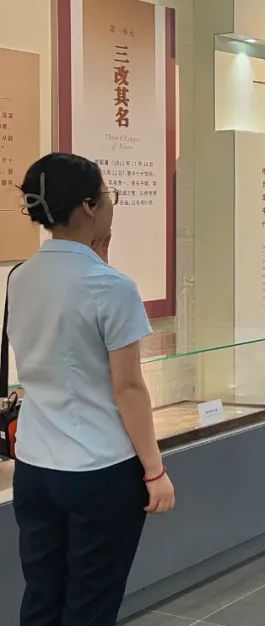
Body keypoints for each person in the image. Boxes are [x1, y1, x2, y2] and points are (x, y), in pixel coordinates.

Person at [8, 153, 175, 626]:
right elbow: (128, 387)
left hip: (35, 466)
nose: (110, 203)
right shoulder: (111, 286)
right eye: (106, 194)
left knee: (42, 596)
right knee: (91, 603)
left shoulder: (21, 277)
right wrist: (155, 470)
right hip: (98, 469)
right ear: (88, 206)